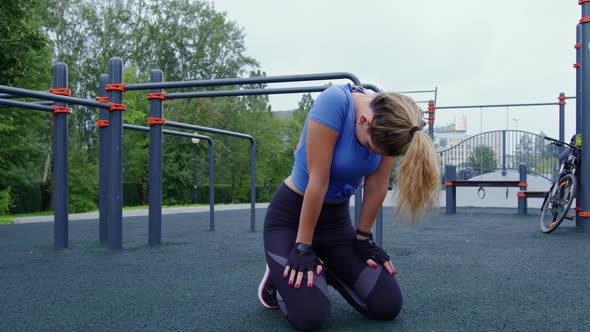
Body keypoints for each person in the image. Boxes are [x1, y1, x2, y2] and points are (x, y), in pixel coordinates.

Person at [257, 84, 440, 331]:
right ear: (364, 121)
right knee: (311, 317)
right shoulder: (335, 102)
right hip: (292, 220)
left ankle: (328, 267)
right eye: (369, 147)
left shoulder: (395, 122)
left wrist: (363, 239)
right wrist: (302, 247)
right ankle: (276, 281)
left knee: (387, 305)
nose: (368, 155)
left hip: (336, 224)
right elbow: (318, 181)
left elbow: (377, 183)